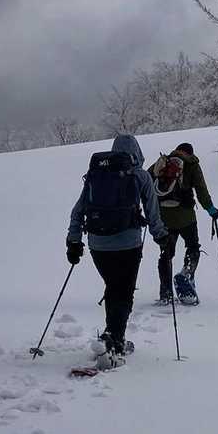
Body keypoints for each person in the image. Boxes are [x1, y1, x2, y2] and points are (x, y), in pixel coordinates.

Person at [66, 134, 166, 363]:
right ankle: (113, 339)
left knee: (113, 287)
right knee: (123, 291)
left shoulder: (96, 173)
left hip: (98, 244)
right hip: (128, 244)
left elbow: (78, 210)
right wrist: (162, 237)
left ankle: (112, 336)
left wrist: (74, 241)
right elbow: (152, 212)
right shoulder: (140, 175)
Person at [147, 141, 218, 305]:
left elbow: (146, 183)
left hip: (164, 217)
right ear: (190, 153)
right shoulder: (192, 164)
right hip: (186, 217)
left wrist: (149, 210)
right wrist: (211, 209)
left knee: (166, 253)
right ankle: (186, 274)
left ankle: (165, 293)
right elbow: (201, 189)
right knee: (193, 246)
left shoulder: (163, 162)